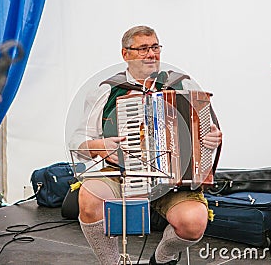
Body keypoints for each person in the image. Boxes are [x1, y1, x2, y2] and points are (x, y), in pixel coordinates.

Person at [69, 25, 222, 265]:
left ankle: (163, 258)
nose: (151, 54)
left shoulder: (182, 86)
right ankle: (112, 262)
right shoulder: (107, 91)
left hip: (173, 180)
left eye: (155, 47)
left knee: (194, 222)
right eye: (142, 49)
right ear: (125, 54)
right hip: (122, 173)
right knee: (88, 198)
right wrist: (101, 146)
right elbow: (78, 141)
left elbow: (206, 136)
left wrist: (211, 140)